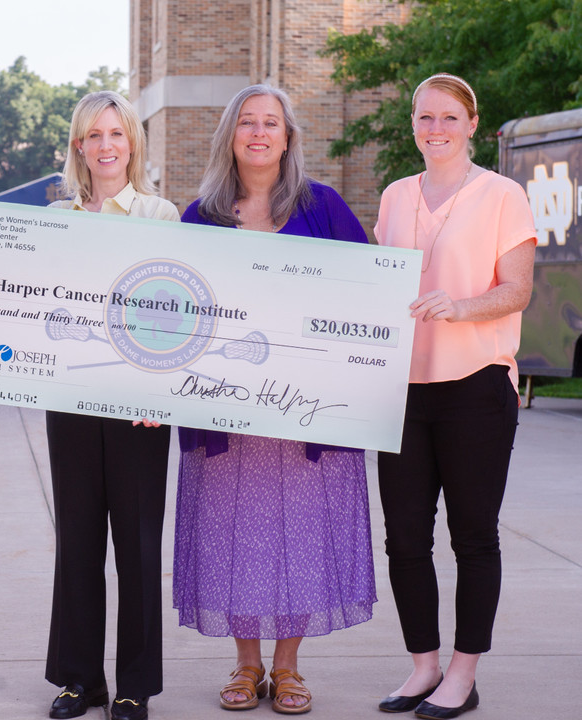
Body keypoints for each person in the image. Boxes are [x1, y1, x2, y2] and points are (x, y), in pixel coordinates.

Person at [173, 84, 376, 715]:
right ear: (230, 135)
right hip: (226, 417)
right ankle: (245, 663)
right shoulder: (199, 216)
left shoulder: (325, 208)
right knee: (231, 536)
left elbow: (366, 294)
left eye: (271, 123)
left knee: (303, 536)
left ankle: (287, 667)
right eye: (247, 122)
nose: (259, 133)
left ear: (288, 138)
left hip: (305, 417)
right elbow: (172, 314)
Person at [373, 73, 536, 720]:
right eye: (423, 117)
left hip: (475, 390)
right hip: (402, 394)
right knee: (405, 538)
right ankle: (423, 667)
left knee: (473, 535)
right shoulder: (393, 196)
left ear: (472, 124)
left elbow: (518, 288)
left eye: (447, 117)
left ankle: (464, 676)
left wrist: (462, 307)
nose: (434, 129)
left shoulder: (503, 195)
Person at [44, 90, 178, 720]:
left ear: (133, 143)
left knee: (137, 546)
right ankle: (79, 680)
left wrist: (161, 395)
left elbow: (180, 319)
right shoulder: (57, 219)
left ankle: (134, 686)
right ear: (79, 146)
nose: (105, 146)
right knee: (76, 543)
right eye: (93, 136)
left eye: (116, 134)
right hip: (71, 401)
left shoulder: (160, 215)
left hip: (138, 410)